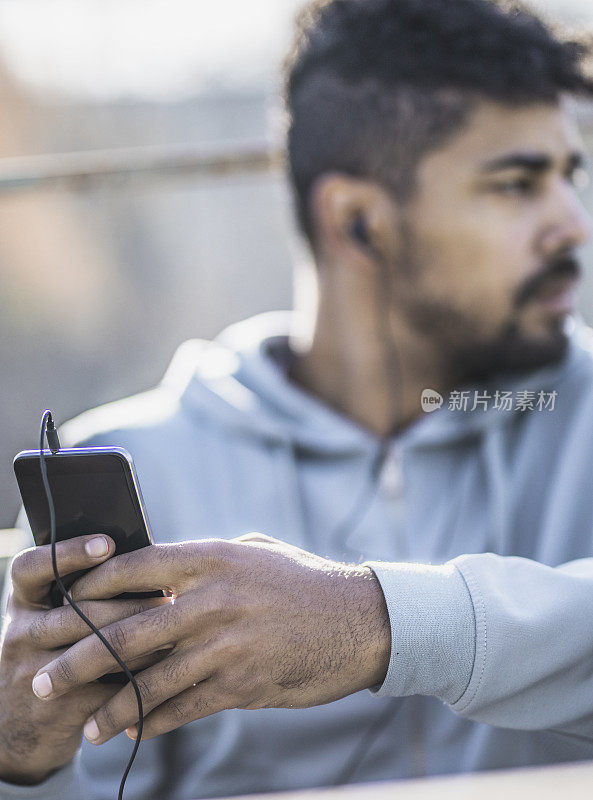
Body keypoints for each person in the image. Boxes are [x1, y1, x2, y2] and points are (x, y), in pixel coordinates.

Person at [2, 0, 593, 797]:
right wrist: (19, 757)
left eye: (570, 174)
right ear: (357, 221)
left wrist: (375, 623)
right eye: (517, 184)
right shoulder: (133, 460)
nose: (572, 225)